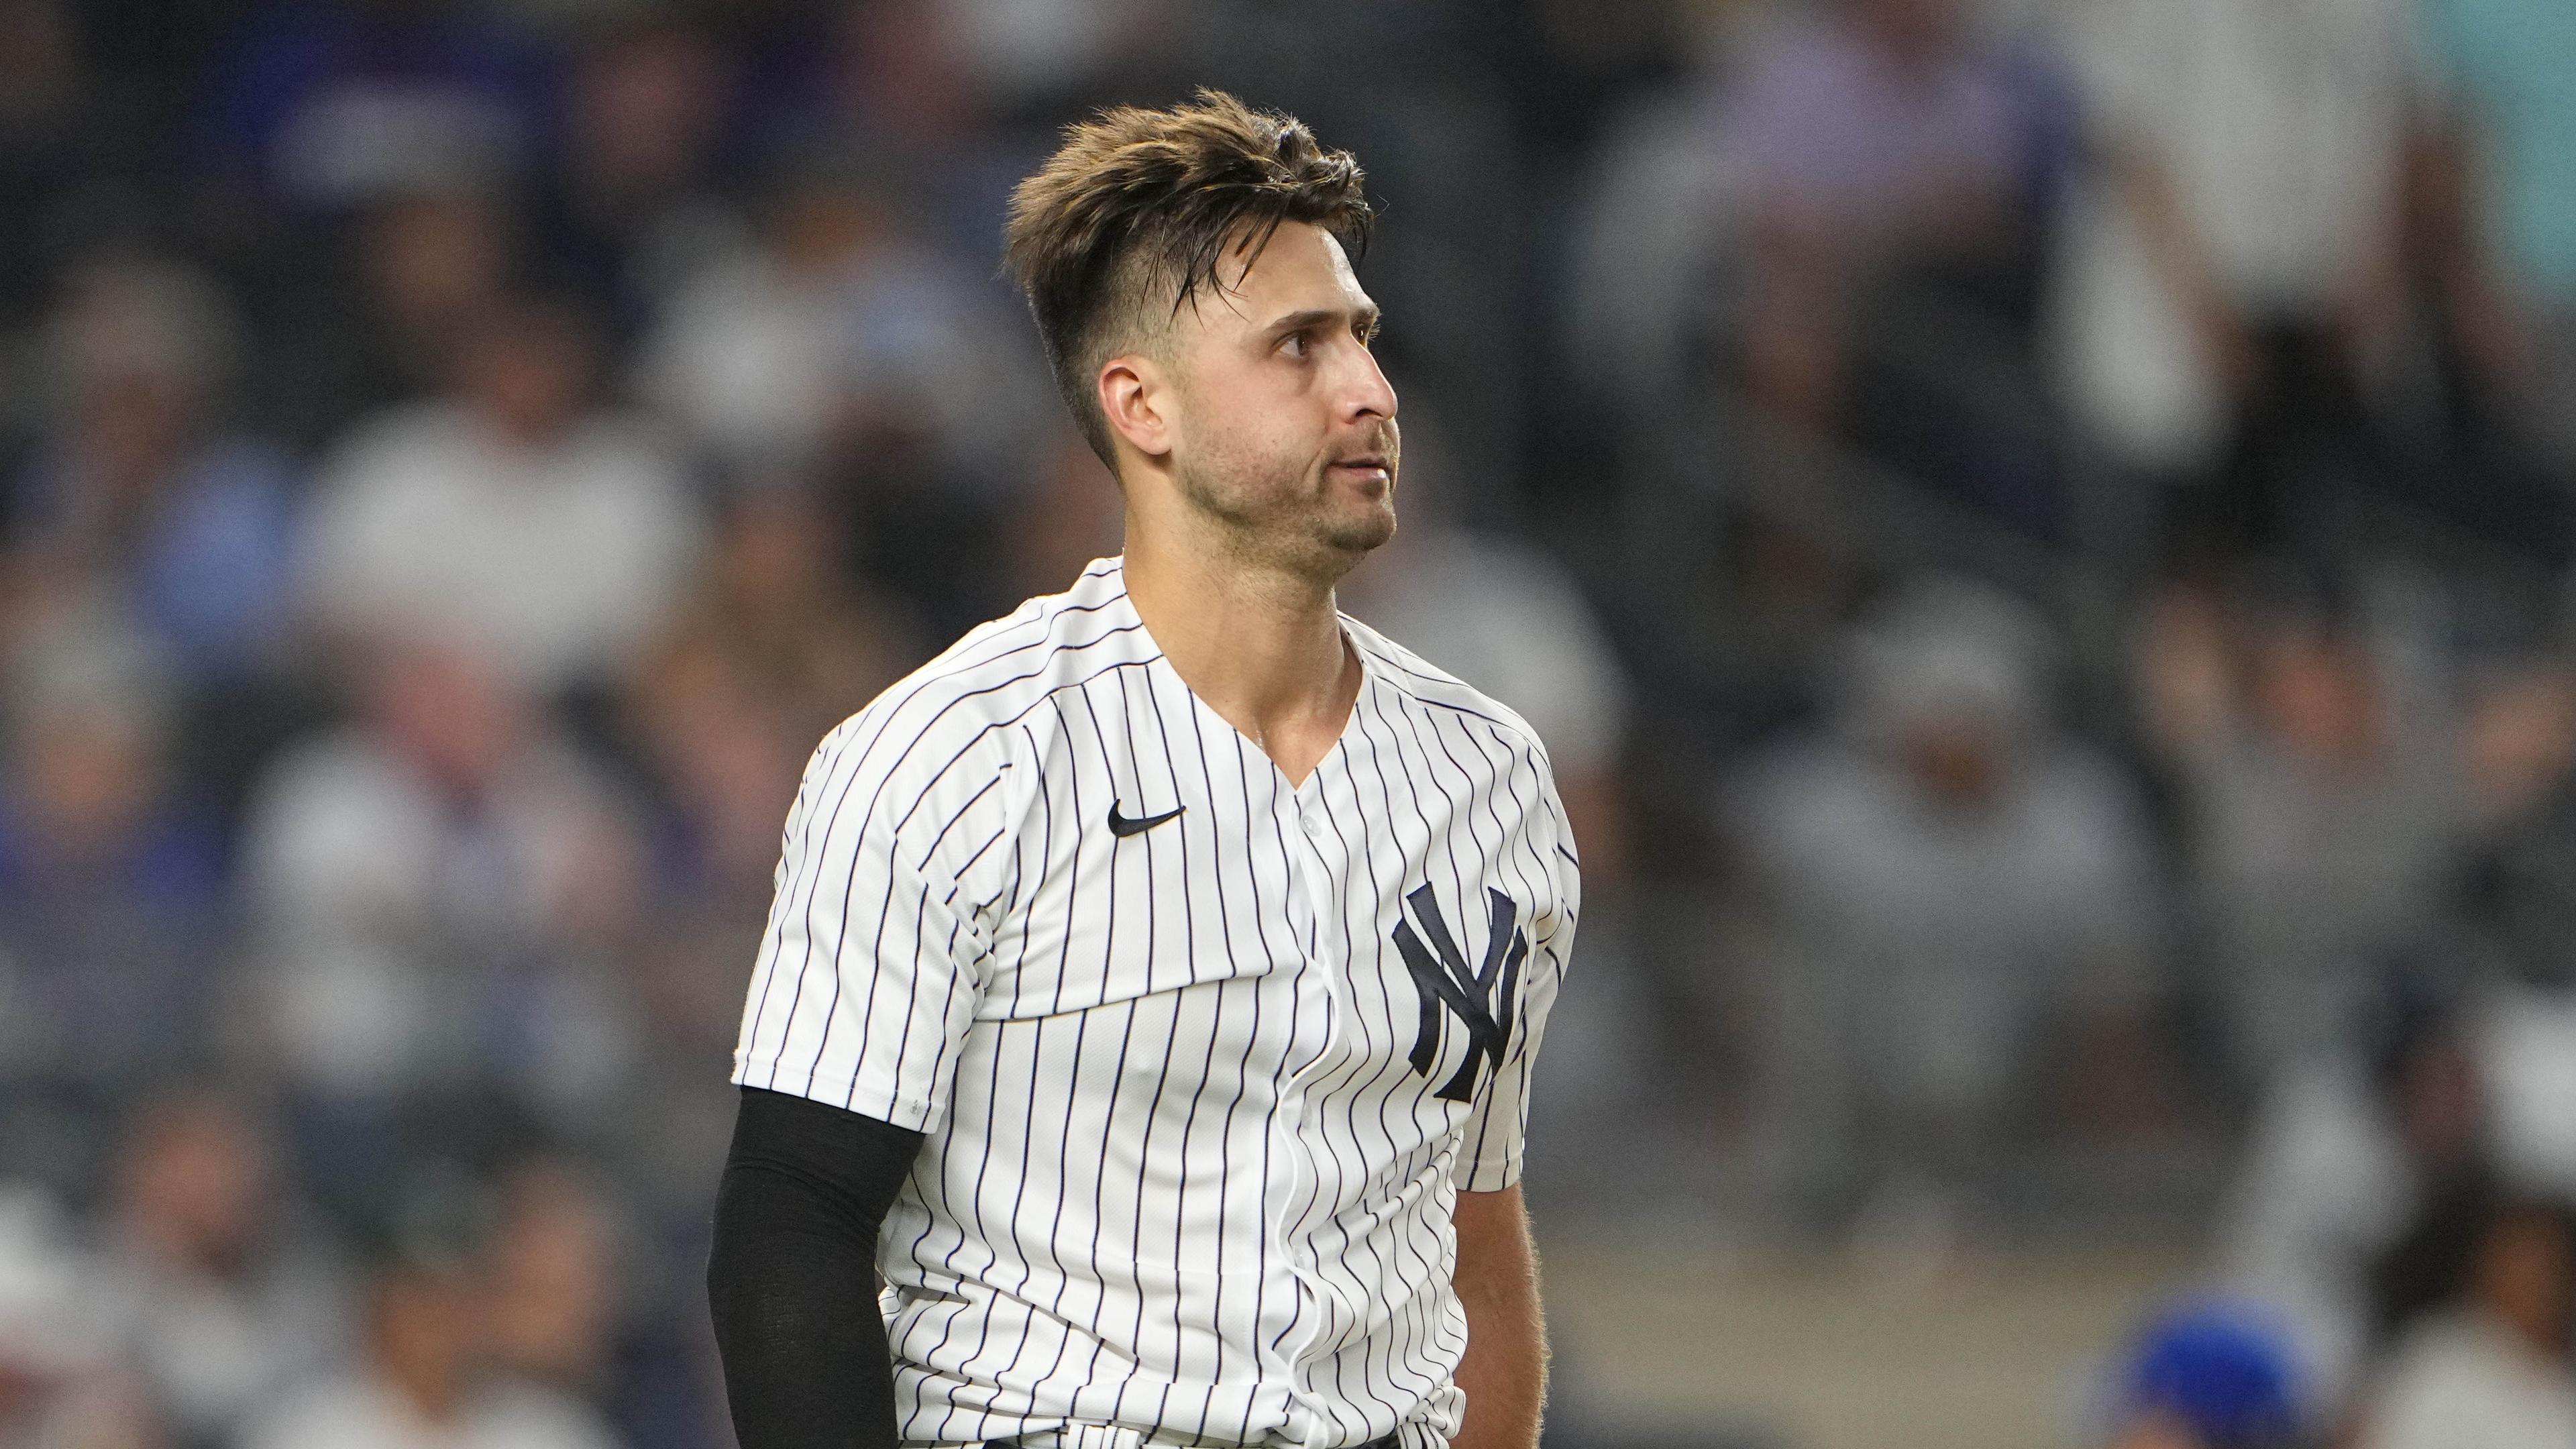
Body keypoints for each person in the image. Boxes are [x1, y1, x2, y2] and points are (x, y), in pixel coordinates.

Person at [704, 91, 1576, 1449]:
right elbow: (790, 1231)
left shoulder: (1494, 778)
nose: (1369, 390)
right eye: (1298, 347)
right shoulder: (948, 759)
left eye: (1362, 336)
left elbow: (1470, 1235)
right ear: (1141, 406)